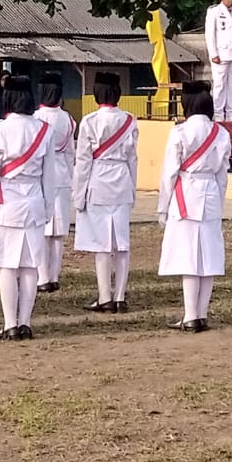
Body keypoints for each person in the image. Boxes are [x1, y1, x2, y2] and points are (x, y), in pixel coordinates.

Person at [0, 74, 59, 340]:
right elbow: (50, 176)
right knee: (29, 266)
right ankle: (25, 322)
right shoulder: (44, 130)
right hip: (35, 202)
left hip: (6, 204)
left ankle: (9, 323)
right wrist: (48, 208)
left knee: (8, 266)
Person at [158, 81, 232, 333]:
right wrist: (219, 201)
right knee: (208, 258)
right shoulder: (222, 134)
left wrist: (162, 206)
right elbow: (223, 175)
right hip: (210, 192)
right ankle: (201, 314)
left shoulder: (179, 132)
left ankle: (190, 316)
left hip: (185, 196)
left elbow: (169, 173)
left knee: (188, 258)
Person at [75, 71, 139, 314]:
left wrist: (79, 195)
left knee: (102, 245)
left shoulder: (89, 121)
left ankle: (105, 297)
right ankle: (120, 296)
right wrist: (132, 189)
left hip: (99, 181)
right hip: (122, 181)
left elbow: (83, 163)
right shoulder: (129, 121)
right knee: (122, 244)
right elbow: (133, 159)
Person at [34, 71, 76, 294]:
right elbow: (70, 153)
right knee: (58, 231)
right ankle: (54, 276)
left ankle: (42, 277)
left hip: (41, 175)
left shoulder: (36, 118)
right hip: (62, 175)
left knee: (42, 230)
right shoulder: (68, 119)